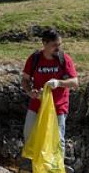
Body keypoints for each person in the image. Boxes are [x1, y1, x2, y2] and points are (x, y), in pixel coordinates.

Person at [21, 29, 78, 157]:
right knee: (29, 134)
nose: (58, 48)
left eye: (59, 45)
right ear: (44, 43)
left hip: (58, 107)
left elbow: (75, 82)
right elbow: (25, 80)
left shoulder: (64, 59)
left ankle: (56, 170)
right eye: (54, 45)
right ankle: (31, 165)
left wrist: (59, 83)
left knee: (58, 140)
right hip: (37, 105)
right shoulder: (35, 58)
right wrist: (30, 92)